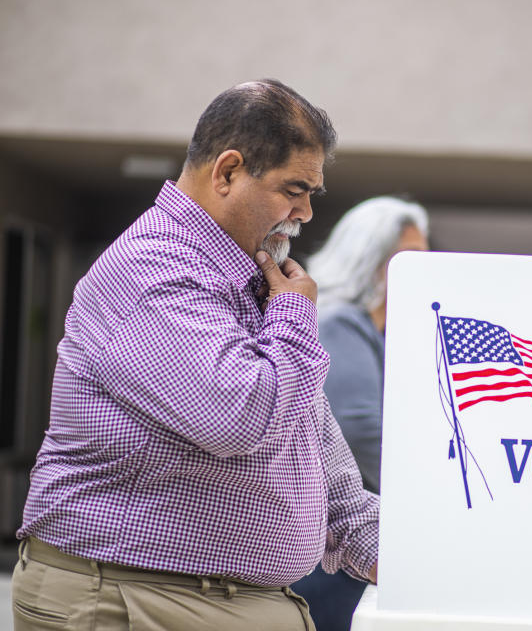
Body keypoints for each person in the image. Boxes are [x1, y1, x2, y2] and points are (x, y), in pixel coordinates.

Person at [11, 79, 378, 631]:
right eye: (293, 189)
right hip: (134, 599)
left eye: (311, 194)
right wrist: (296, 316)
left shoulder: (249, 278)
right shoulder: (153, 271)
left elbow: (308, 437)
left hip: (204, 599)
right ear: (227, 172)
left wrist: (390, 542)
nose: (304, 213)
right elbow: (242, 417)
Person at [291, 196, 428, 630]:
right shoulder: (341, 323)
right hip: (339, 556)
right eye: (410, 260)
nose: (421, 273)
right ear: (370, 261)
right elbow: (361, 430)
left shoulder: (378, 332)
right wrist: (433, 502)